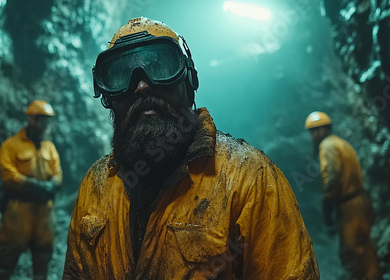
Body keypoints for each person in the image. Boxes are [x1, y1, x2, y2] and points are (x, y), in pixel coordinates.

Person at [63, 17, 319, 279]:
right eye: (120, 75)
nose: (141, 86)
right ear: (106, 96)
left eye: (160, 66)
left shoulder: (251, 180)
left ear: (189, 79)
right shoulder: (95, 186)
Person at [0, 100, 63, 280]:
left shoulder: (49, 147)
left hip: (44, 212)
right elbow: (8, 175)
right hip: (17, 210)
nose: (46, 125)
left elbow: (58, 172)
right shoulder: (11, 145)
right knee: (8, 251)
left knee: (43, 255)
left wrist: (52, 184)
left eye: (48, 121)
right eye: (43, 121)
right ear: (32, 120)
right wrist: (37, 185)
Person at [305, 111, 380, 280]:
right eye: (312, 131)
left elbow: (332, 174)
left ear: (325, 130)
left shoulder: (327, 146)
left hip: (349, 206)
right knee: (366, 250)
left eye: (317, 130)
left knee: (351, 253)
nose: (314, 135)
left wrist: (328, 200)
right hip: (362, 200)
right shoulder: (343, 144)